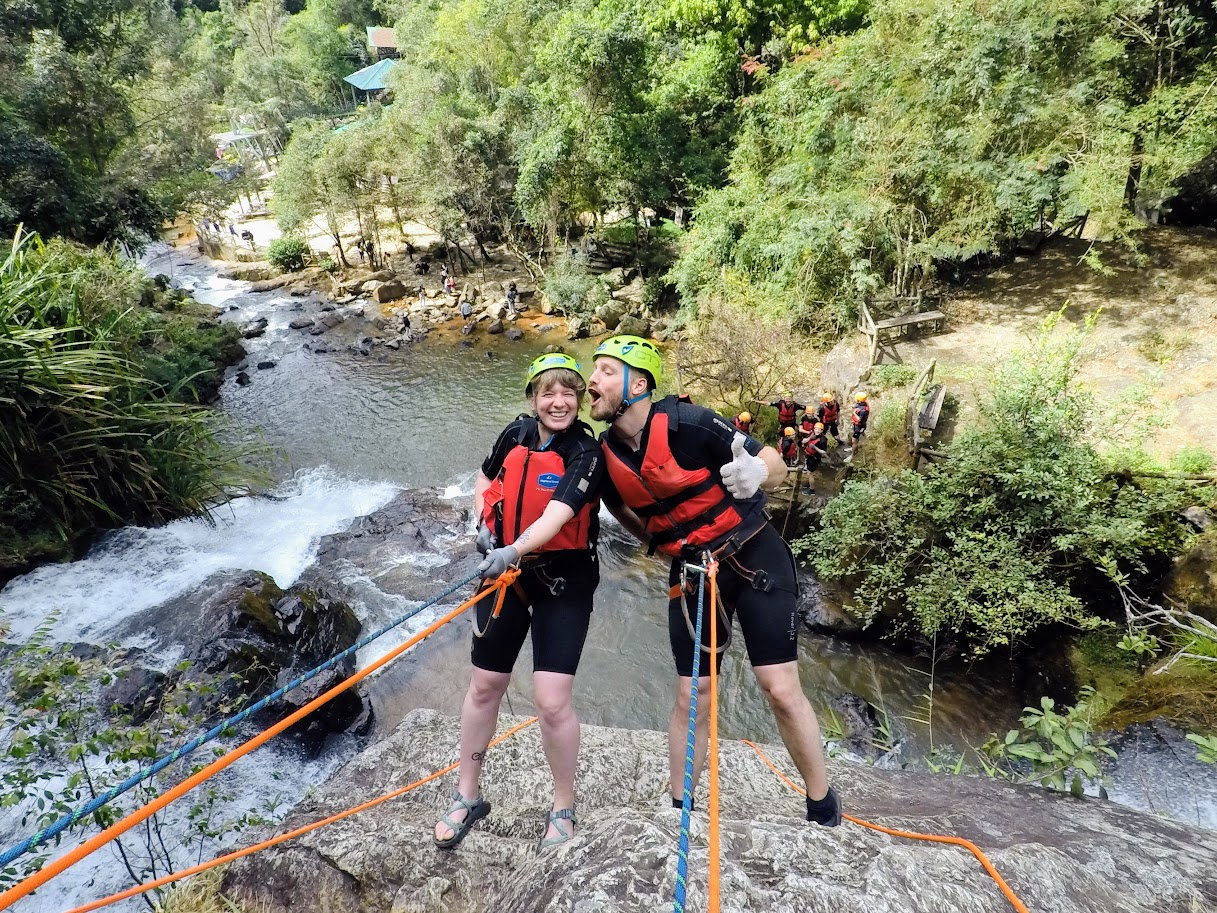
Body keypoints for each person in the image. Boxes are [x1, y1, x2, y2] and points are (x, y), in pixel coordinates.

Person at [587, 335, 840, 827]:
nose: (591, 380)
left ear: (637, 385)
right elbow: (617, 506)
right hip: (695, 572)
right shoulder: (605, 457)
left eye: (604, 371)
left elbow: (774, 462)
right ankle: (681, 806)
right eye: (592, 370)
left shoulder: (691, 424)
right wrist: (662, 545)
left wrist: (756, 473)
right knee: (692, 693)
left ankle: (822, 804)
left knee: (778, 687)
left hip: (753, 555)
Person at [434, 353, 605, 852]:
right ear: (533, 398)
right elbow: (486, 480)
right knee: (484, 685)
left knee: (551, 700)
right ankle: (467, 795)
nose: (559, 402)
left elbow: (559, 514)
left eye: (568, 393)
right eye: (548, 392)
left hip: (563, 581)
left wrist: (513, 547)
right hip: (504, 573)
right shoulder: (515, 434)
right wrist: (484, 525)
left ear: (578, 400)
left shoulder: (586, 452)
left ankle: (563, 806)